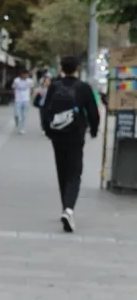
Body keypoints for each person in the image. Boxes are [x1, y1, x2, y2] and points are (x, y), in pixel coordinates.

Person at [41, 55, 100, 233]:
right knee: (74, 173)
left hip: (57, 136)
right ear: (77, 68)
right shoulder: (83, 87)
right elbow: (93, 112)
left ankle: (65, 208)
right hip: (75, 136)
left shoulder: (54, 86)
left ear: (61, 68)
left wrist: (48, 131)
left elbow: (45, 110)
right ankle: (68, 209)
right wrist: (94, 130)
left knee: (62, 171)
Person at [12, 69, 34, 134]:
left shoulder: (30, 81)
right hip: (18, 99)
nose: (25, 76)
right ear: (21, 74)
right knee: (17, 114)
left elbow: (32, 88)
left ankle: (22, 128)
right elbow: (13, 88)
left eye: (26, 74)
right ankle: (16, 120)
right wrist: (15, 96)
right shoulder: (16, 80)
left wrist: (30, 95)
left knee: (24, 115)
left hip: (26, 100)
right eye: (24, 74)